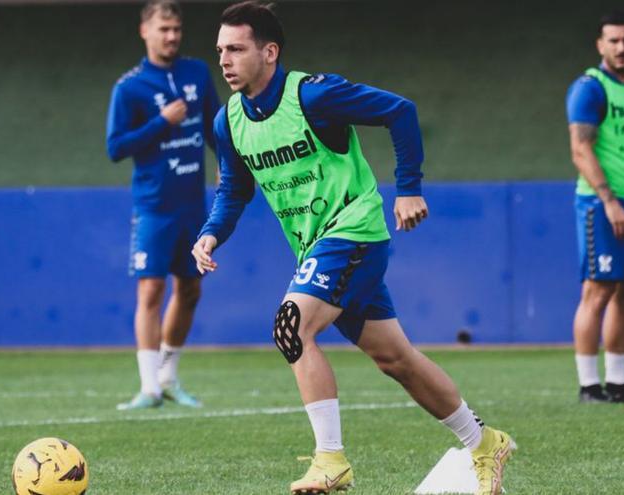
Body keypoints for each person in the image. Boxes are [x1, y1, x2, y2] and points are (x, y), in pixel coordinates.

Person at [191, 2, 514, 493]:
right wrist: (211, 232)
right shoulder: (228, 122)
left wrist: (408, 189)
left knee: (290, 326)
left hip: (354, 233)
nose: (225, 60)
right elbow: (234, 190)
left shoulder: (315, 94)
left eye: (236, 48)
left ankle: (330, 459)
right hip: (316, 249)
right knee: (397, 361)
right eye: (220, 50)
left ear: (270, 52)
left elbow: (399, 112)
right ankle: (484, 441)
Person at [106, 0, 220, 410]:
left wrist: (226, 163)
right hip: (154, 206)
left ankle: (169, 376)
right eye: (163, 29)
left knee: (190, 289)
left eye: (176, 29)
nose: (171, 36)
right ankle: (149, 387)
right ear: (145, 32)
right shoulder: (130, 87)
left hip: (194, 204)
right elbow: (115, 147)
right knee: (151, 288)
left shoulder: (197, 72)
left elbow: (215, 126)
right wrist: (161, 123)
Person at [566, 10, 624, 404]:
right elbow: (580, 148)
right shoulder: (591, 87)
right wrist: (609, 201)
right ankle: (590, 385)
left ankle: (620, 382)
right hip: (601, 202)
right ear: (600, 45)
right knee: (598, 290)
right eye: (615, 41)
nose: (622, 48)